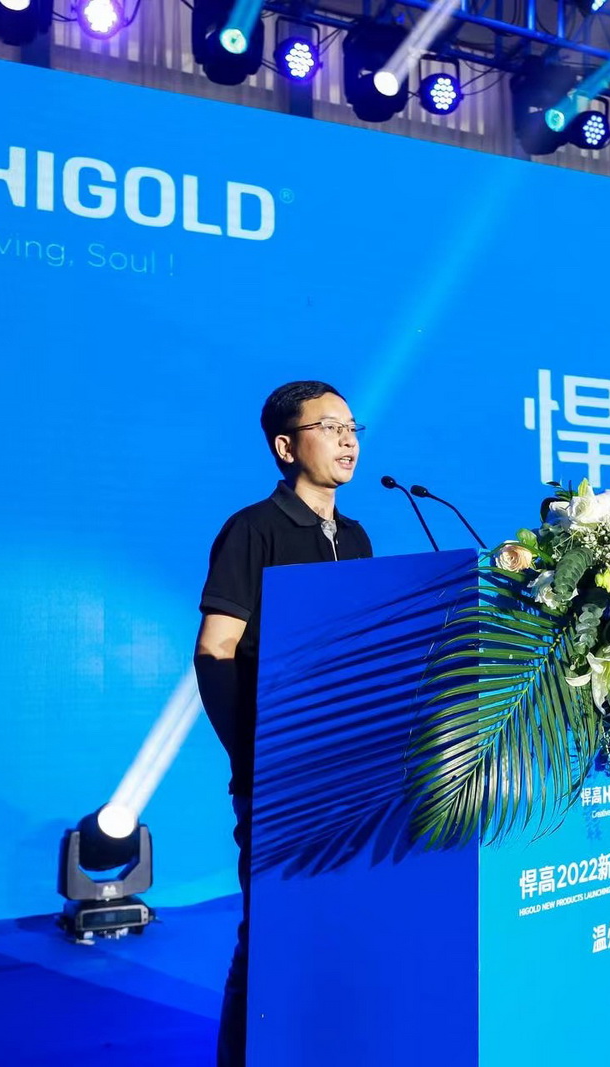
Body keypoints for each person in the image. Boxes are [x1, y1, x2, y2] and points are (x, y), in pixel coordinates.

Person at [194, 380, 373, 1067]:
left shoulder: (355, 536)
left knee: (340, 926)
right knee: (270, 934)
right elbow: (216, 650)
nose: (347, 439)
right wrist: (254, 755)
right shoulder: (254, 529)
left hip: (348, 772)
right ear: (285, 445)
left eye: (352, 427)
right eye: (329, 427)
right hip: (279, 774)